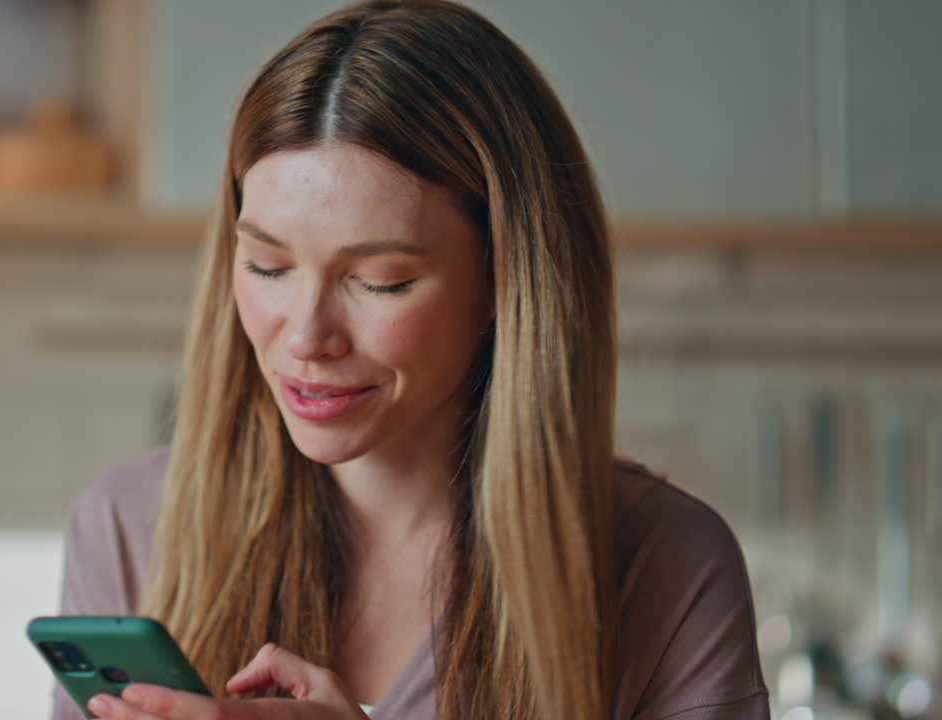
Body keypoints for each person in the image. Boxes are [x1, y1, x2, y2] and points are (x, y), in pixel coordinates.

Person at [53, 1, 769, 718]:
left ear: (506, 280)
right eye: (268, 266)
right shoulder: (129, 528)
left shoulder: (665, 567)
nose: (306, 337)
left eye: (381, 281)